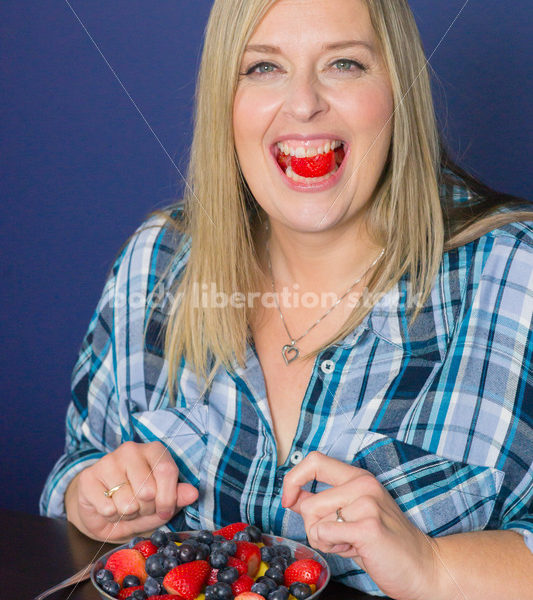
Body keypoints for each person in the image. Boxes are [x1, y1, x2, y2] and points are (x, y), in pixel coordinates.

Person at [41, 0, 533, 598]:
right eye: (263, 68)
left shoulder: (516, 274)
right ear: (226, 99)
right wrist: (92, 498)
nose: (303, 105)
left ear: (399, 91)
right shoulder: (159, 259)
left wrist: (432, 565)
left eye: (345, 64)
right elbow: (76, 470)